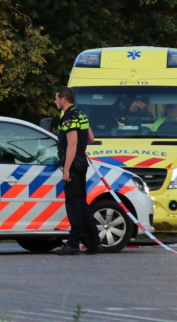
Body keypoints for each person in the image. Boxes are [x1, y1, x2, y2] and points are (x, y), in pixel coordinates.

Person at [53, 86, 103, 255]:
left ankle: (73, 244)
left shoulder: (68, 118)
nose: (55, 102)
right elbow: (91, 138)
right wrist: (79, 148)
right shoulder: (81, 114)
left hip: (74, 165)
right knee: (82, 204)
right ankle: (95, 243)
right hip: (82, 163)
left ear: (63, 100)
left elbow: (72, 144)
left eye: (56, 99)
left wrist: (66, 170)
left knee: (74, 205)